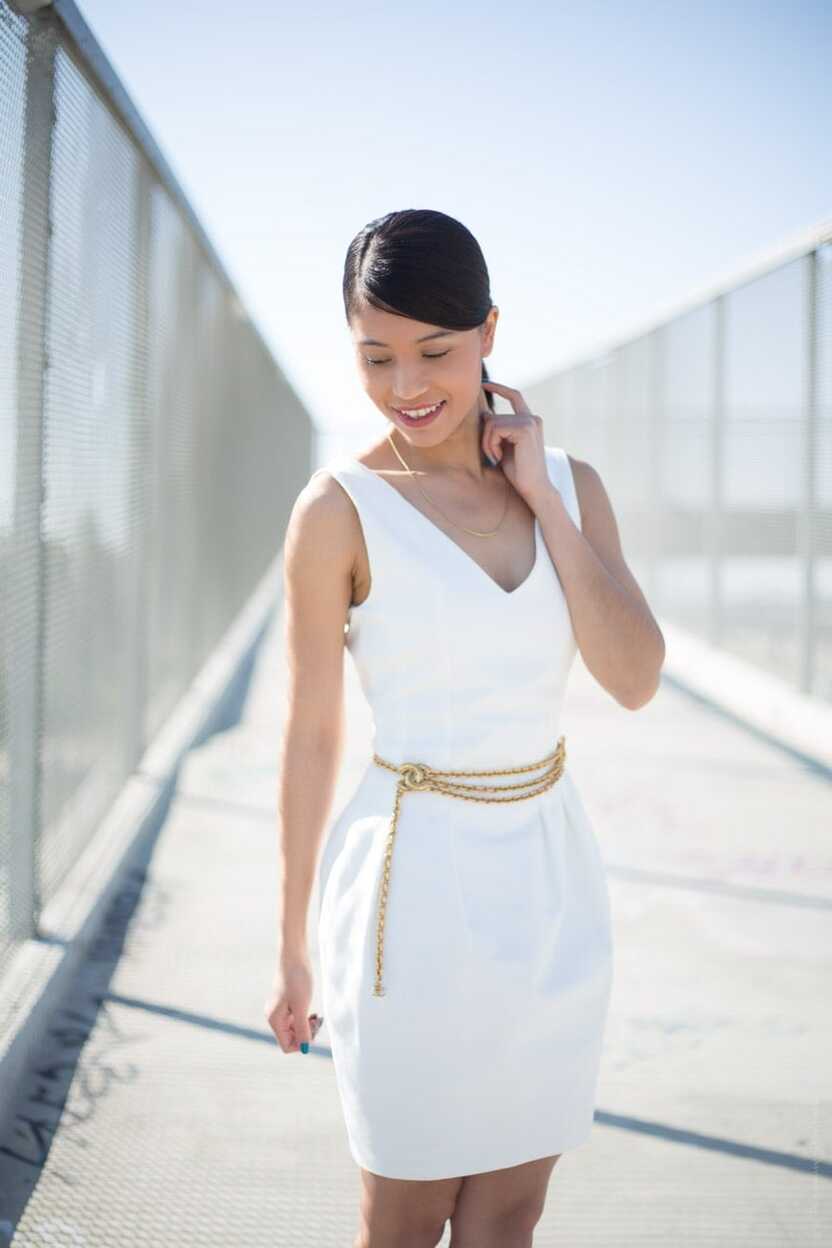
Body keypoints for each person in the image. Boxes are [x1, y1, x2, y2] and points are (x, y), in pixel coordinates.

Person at [264, 209, 665, 1247]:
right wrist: (291, 948)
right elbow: (311, 733)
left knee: (508, 1216)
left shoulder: (570, 488)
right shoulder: (337, 509)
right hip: (408, 894)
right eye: (376, 356)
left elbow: (632, 679)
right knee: (404, 1215)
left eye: (435, 352)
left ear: (489, 332)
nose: (408, 385)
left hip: (549, 881)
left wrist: (542, 497)